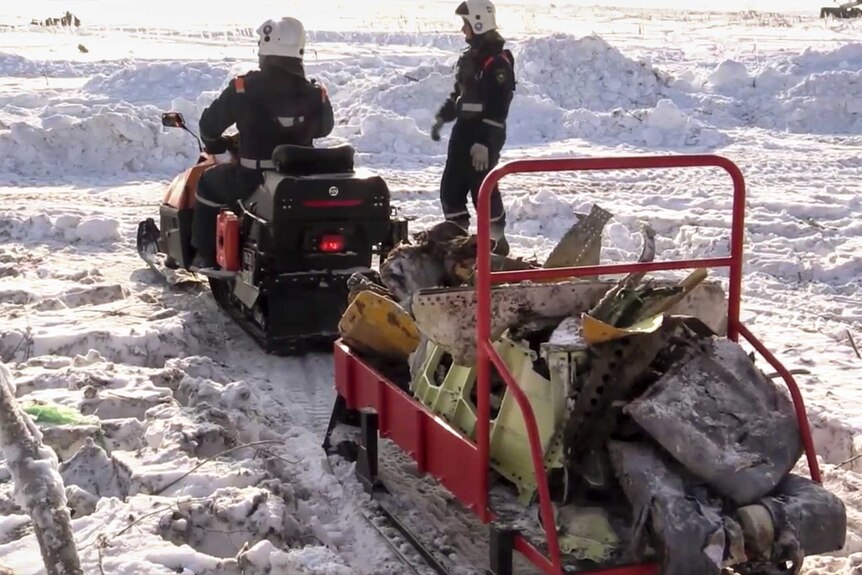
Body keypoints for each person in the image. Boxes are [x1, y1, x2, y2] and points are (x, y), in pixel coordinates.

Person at [192, 16, 334, 270]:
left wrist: (215, 142)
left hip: (252, 177)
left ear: (265, 48)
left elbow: (208, 126)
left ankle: (206, 257)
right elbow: (325, 128)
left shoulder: (244, 87)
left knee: (207, 183)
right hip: (301, 180)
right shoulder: (315, 92)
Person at [430, 0, 515, 256]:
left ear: (478, 23)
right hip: (463, 133)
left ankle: (497, 243)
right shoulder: (469, 59)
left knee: (482, 188)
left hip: (485, 134)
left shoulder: (498, 62)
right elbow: (459, 94)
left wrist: (485, 142)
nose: (463, 30)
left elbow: (500, 105)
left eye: (466, 24)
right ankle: (460, 247)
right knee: (451, 188)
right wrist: (443, 117)